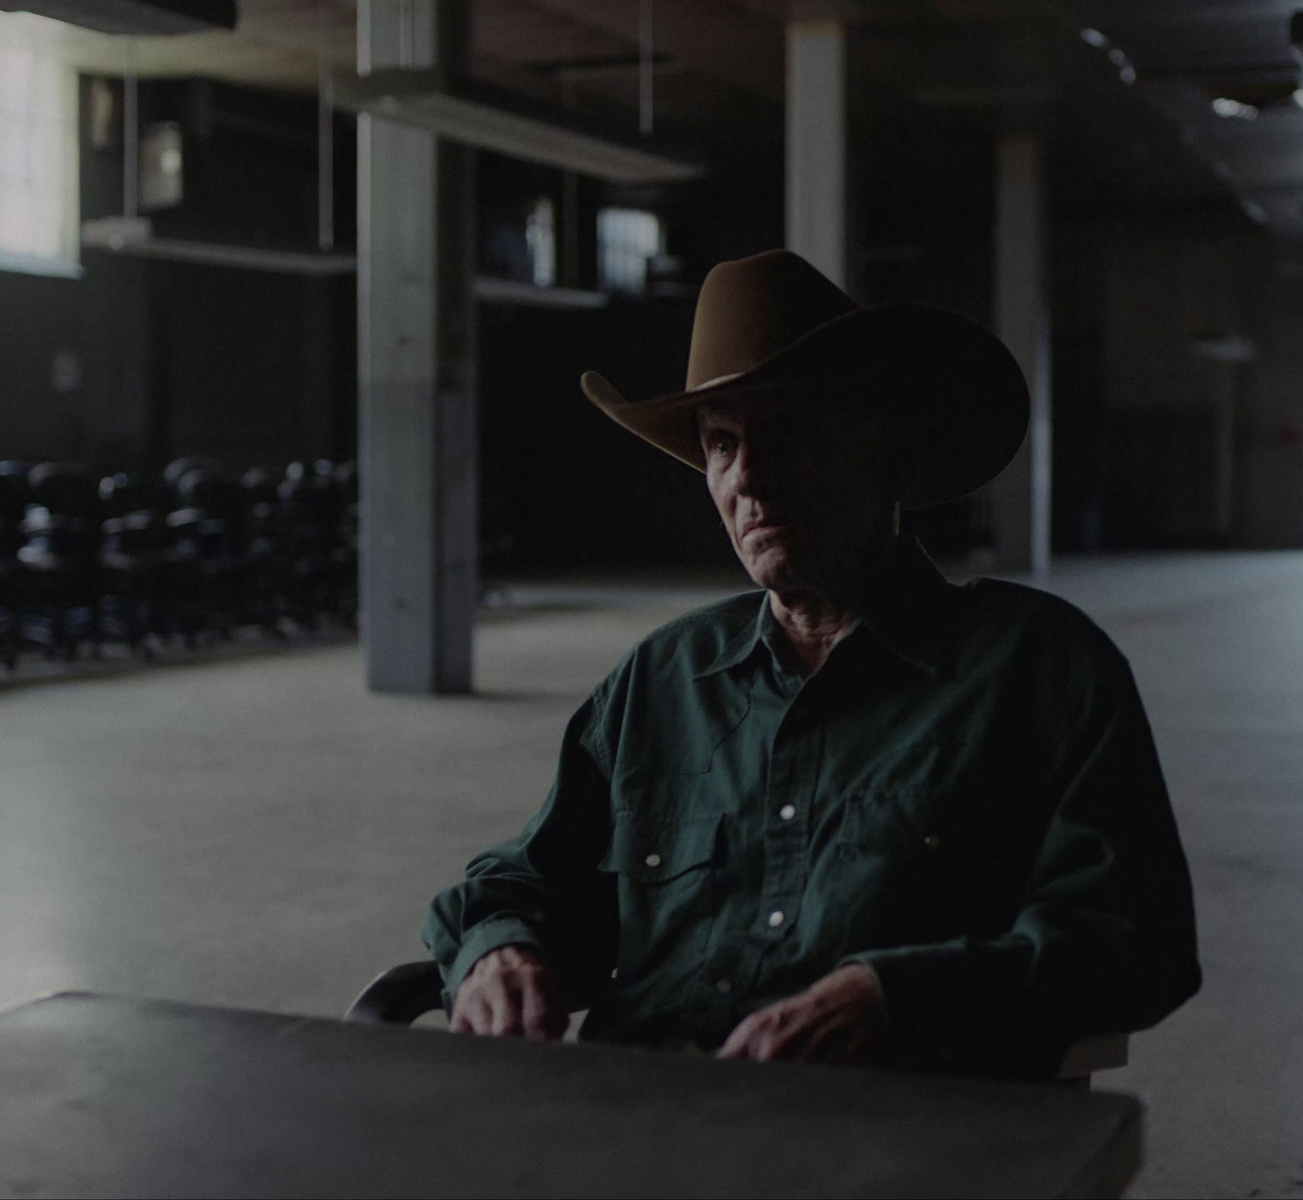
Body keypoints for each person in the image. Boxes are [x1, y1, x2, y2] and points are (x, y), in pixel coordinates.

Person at [421, 249, 1200, 1077]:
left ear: (888, 456)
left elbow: (1133, 939)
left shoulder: (1038, 669)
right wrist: (499, 951)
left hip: (894, 1137)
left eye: (786, 430)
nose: (748, 477)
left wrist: (898, 996)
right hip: (645, 1121)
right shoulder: (663, 679)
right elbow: (526, 881)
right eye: (721, 444)